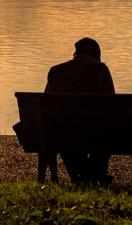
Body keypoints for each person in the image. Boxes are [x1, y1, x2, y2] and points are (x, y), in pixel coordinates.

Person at [44, 37, 115, 185]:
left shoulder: (56, 71)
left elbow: (46, 105)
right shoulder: (101, 70)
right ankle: (94, 174)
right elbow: (112, 105)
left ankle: (82, 175)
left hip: (63, 133)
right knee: (106, 129)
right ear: (96, 55)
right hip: (95, 133)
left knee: (62, 128)